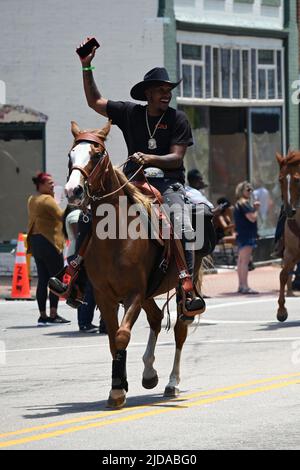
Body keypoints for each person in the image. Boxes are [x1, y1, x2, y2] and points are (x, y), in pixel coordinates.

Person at [51, 38, 205, 315]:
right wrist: (87, 67)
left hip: (168, 183)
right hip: (132, 181)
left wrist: (149, 158)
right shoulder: (130, 112)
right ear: (147, 93)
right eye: (160, 89)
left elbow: (177, 158)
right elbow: (94, 101)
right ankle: (73, 278)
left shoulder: (178, 119)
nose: (166, 94)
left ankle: (186, 289)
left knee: (182, 223)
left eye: (168, 89)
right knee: (89, 216)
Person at [27, 172, 71, 325]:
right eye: (49, 183)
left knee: (42, 280)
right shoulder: (47, 200)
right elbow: (62, 216)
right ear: (41, 185)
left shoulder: (32, 199)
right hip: (49, 243)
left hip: (36, 242)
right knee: (56, 280)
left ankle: (42, 316)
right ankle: (53, 314)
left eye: (53, 183)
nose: (52, 185)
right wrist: (71, 202)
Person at [63, 205, 107, 333]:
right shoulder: (78, 215)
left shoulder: (88, 213)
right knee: (88, 289)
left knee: (89, 288)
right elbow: (80, 239)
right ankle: (85, 323)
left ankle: (89, 323)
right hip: (81, 255)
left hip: (83, 255)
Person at [233, 181, 260, 295]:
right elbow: (252, 218)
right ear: (241, 191)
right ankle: (245, 286)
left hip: (242, 234)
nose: (250, 191)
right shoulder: (244, 203)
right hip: (247, 235)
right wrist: (256, 209)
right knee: (245, 261)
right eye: (248, 189)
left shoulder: (239, 203)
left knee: (241, 261)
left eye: (251, 189)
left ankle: (241, 285)